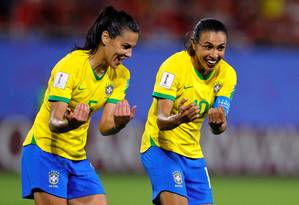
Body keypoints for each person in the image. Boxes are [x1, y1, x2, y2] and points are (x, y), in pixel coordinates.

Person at [21, 6, 139, 205]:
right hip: (45, 152)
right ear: (106, 38)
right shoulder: (70, 67)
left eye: (133, 48)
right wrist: (71, 124)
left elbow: (104, 127)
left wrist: (119, 123)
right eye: (125, 46)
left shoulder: (121, 75)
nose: (130, 54)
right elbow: (55, 122)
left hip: (76, 157)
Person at [140, 18, 237, 205]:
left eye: (220, 48)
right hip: (161, 148)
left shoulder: (228, 74)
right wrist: (179, 118)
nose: (214, 54)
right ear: (194, 44)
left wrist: (218, 124)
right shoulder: (173, 67)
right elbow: (161, 120)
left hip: (193, 154)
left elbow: (220, 125)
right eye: (208, 47)